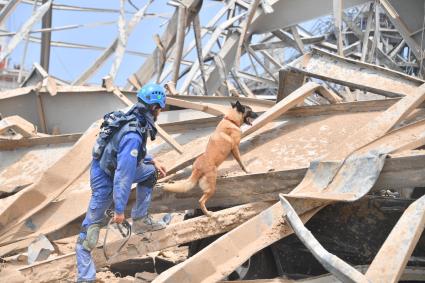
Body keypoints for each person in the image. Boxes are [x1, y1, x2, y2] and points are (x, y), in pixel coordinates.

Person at [75, 83, 168, 282]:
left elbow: (130, 154)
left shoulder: (134, 116)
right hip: (105, 177)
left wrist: (152, 159)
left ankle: (141, 220)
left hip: (107, 165)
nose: (160, 112)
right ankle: (85, 278)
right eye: (160, 108)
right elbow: (123, 176)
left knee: (151, 172)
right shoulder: (133, 134)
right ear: (154, 107)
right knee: (89, 234)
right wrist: (119, 211)